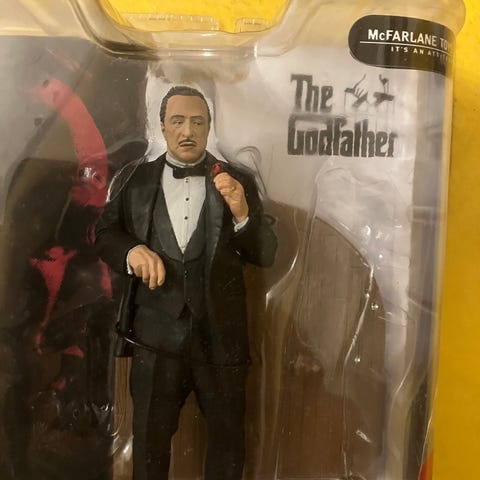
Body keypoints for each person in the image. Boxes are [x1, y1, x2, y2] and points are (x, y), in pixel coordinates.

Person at [95, 85, 277, 480]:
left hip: (221, 340)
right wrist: (131, 251)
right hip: (154, 340)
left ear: (210, 127)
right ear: (162, 126)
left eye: (198, 121)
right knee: (148, 443)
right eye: (177, 121)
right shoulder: (137, 180)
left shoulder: (237, 180)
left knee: (228, 443)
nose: (188, 130)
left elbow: (265, 254)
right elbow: (105, 234)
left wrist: (242, 213)